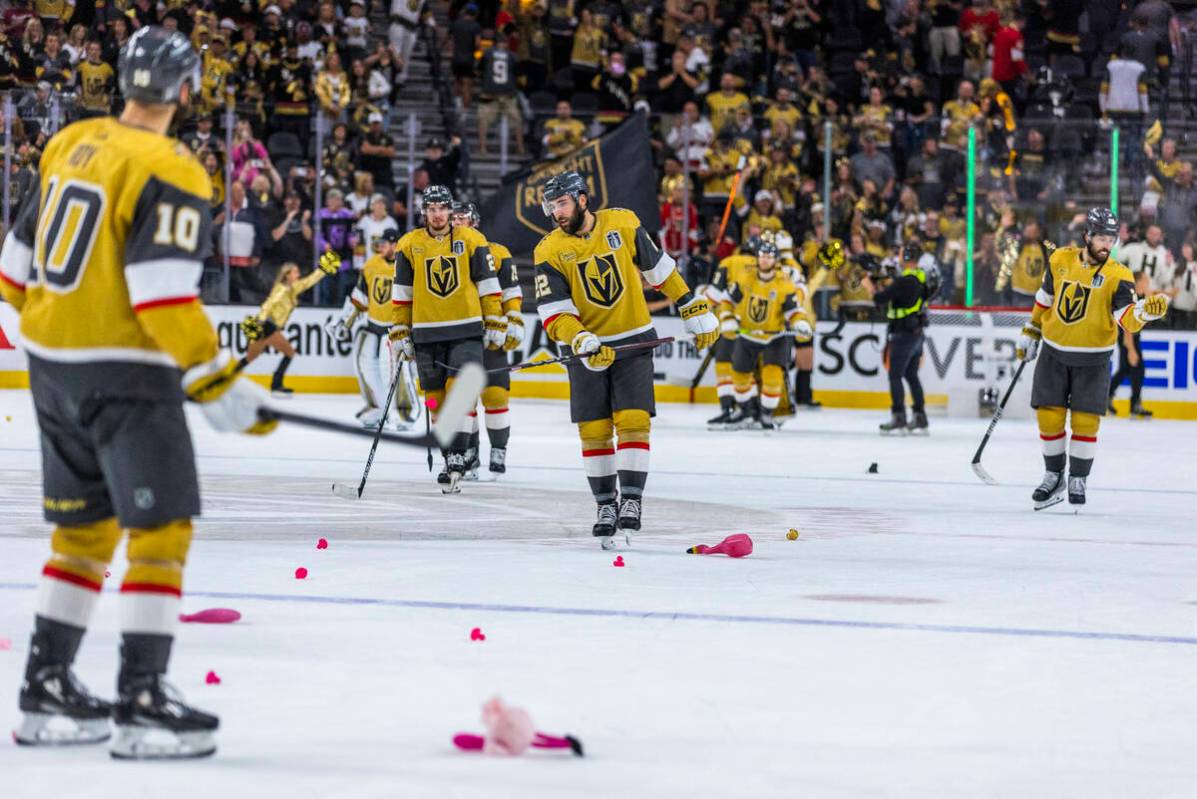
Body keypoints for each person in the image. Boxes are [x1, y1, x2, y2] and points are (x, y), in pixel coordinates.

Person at [0, 26, 275, 760]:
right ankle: (142, 697)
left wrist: (50, 340)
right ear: (186, 90)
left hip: (51, 366)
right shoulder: (174, 166)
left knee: (82, 535)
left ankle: (47, 685)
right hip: (124, 373)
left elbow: (12, 267)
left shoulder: (70, 143)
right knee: (161, 532)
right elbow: (160, 297)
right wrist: (216, 377)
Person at [533, 171, 718, 547]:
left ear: (582, 198)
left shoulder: (623, 222)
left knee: (633, 422)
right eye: (552, 207)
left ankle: (631, 501)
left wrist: (689, 304)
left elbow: (659, 270)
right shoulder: (548, 250)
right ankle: (605, 504)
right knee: (594, 431)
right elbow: (553, 311)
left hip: (633, 340)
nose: (557, 213)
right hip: (586, 350)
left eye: (562, 203)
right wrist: (580, 339)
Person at [1016, 208, 1170, 508]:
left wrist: (1142, 313)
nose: (1106, 245)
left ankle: (1077, 478)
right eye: (1101, 237)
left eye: (1111, 239)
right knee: (1049, 417)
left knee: (1086, 422)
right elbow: (1044, 300)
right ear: (1086, 235)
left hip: (1093, 359)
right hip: (1053, 353)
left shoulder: (1119, 275)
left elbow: (1126, 320)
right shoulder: (1059, 259)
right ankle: (1053, 476)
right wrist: (1032, 329)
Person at [389, 185, 504, 493]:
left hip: (466, 330)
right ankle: (450, 455)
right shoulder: (409, 244)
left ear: (451, 211)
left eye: (442, 208)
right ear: (424, 212)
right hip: (426, 334)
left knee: (461, 392)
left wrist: (494, 318)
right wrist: (400, 330)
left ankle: (459, 457)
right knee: (435, 402)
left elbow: (489, 285)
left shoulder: (472, 239)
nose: (437, 214)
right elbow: (401, 295)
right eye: (432, 209)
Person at [451, 201, 523, 477]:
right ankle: (469, 452)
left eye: (462, 218)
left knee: (495, 395)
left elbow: (510, 290)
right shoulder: (441, 252)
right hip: (459, 333)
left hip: (491, 332)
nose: (456, 222)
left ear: (474, 222)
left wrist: (513, 318)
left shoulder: (498, 252)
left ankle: (498, 449)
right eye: (453, 218)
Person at [327, 229, 419, 429]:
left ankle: (403, 413)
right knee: (367, 368)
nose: (380, 247)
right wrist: (344, 322)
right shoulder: (371, 265)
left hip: (396, 328)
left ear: (395, 245)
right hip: (373, 325)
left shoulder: (408, 266)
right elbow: (360, 296)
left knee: (393, 372)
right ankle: (379, 408)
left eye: (385, 244)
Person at [719, 241, 813, 430]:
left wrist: (799, 322)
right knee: (738, 375)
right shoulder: (745, 277)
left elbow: (793, 310)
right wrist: (728, 319)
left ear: (775, 260)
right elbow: (727, 300)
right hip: (747, 334)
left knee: (772, 376)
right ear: (757, 257)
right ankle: (748, 411)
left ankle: (766, 414)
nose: (764, 260)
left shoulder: (784, 282)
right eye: (762, 256)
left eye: (769, 257)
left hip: (774, 337)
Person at [239, 253, 340, 397]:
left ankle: (225, 379)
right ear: (287, 275)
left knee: (250, 358)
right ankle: (276, 385)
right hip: (268, 326)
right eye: (295, 272)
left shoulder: (292, 288)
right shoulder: (282, 289)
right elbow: (269, 304)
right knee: (289, 353)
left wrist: (322, 270)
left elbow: (308, 282)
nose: (298, 274)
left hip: (268, 326)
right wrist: (260, 320)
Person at [864, 242, 935, 435]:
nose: (898, 258)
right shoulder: (920, 278)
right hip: (916, 333)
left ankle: (899, 417)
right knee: (911, 375)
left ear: (906, 257)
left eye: (901, 254)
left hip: (903, 334)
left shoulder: (905, 281)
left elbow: (880, 299)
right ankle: (920, 417)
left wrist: (869, 285)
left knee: (895, 375)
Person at [704, 237, 759, 427]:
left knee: (724, 365)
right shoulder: (764, 267)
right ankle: (753, 410)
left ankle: (728, 409)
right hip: (756, 325)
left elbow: (714, 295)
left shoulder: (729, 262)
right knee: (747, 369)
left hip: (731, 324)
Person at [1108, 270, 1154, 419]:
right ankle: (1134, 404)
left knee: (1125, 369)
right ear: (1138, 281)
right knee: (1137, 369)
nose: (1148, 282)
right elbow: (1128, 326)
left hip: (1133, 337)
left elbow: (1149, 314)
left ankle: (1107, 397)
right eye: (1145, 280)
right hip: (1128, 337)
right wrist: (1131, 349)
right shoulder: (1132, 295)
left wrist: (1148, 293)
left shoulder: (1141, 295)